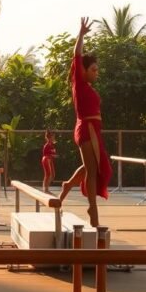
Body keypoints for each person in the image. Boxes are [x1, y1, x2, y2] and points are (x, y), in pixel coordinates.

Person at [58, 17, 113, 227]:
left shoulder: (89, 88)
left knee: (90, 166)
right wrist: (80, 35)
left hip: (93, 130)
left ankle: (67, 185)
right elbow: (77, 55)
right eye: (94, 70)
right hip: (87, 128)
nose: (96, 73)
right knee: (94, 170)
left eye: (97, 70)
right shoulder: (80, 84)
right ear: (84, 71)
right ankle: (92, 207)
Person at [40, 129, 57, 194]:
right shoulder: (47, 145)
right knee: (48, 174)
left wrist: (54, 155)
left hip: (50, 159)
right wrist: (52, 155)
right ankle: (45, 189)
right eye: (53, 136)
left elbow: (52, 153)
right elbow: (45, 154)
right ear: (49, 137)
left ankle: (46, 187)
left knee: (52, 175)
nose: (54, 138)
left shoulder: (51, 144)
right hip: (46, 159)